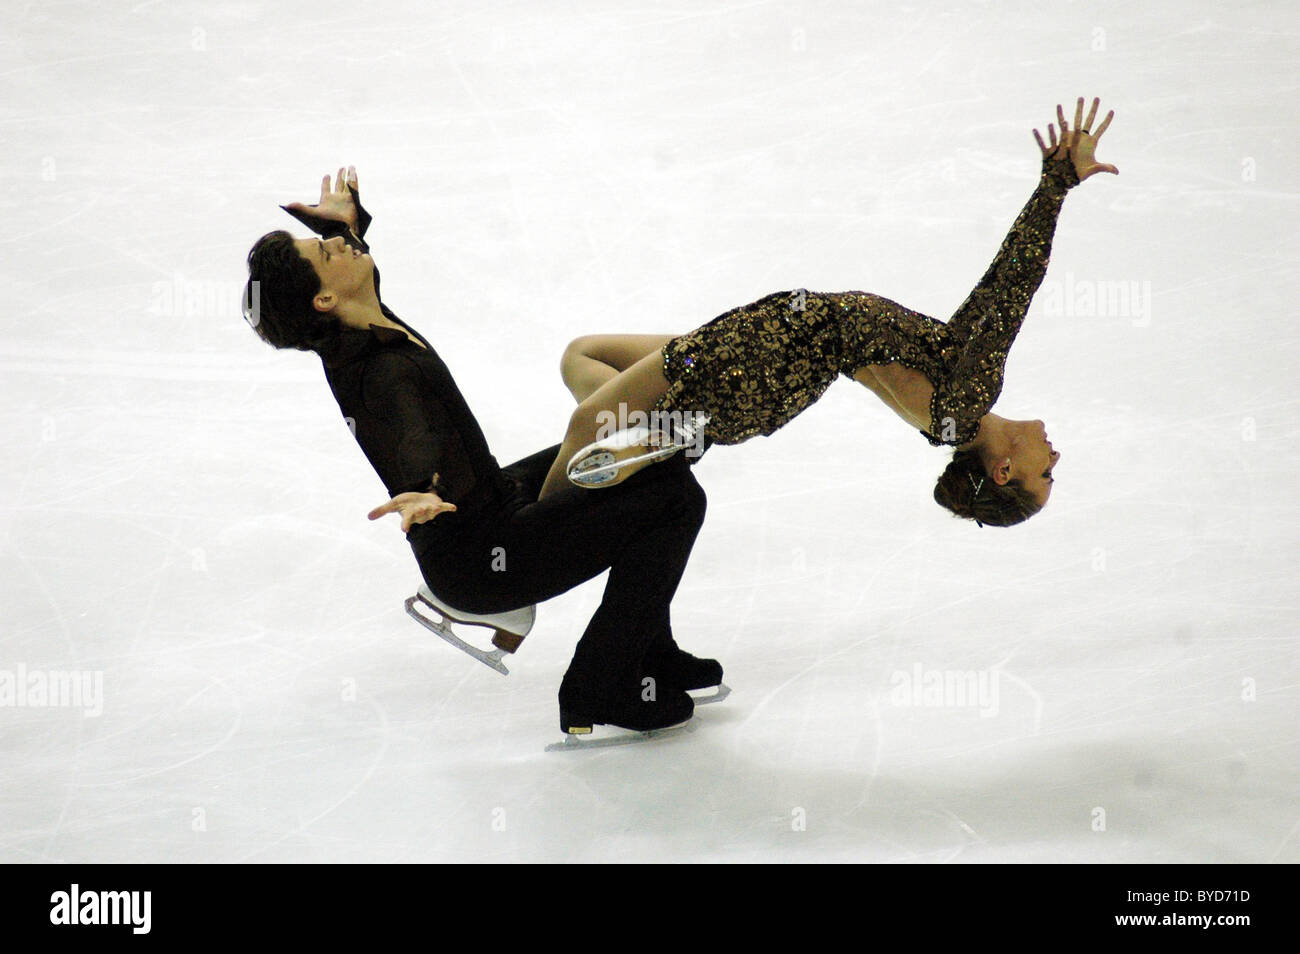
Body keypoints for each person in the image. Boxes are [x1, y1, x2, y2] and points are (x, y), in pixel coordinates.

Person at [241, 169, 721, 737]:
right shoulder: (379, 371)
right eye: (328, 251)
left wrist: (344, 228)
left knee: (646, 460)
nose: (345, 246)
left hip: (495, 507)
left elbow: (354, 270)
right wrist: (424, 487)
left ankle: (646, 651)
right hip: (483, 557)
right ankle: (603, 683)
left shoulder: (361, 322)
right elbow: (409, 434)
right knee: (672, 501)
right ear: (324, 298)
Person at [540, 97, 1118, 528]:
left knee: (587, 421)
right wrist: (1052, 186)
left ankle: (525, 558)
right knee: (583, 357)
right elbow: (1000, 288)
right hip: (765, 348)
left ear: (1003, 471)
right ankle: (655, 442)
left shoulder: (965, 405)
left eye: (1046, 473)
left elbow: (1012, 296)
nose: (1054, 457)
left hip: (762, 356)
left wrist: (1056, 188)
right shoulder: (957, 400)